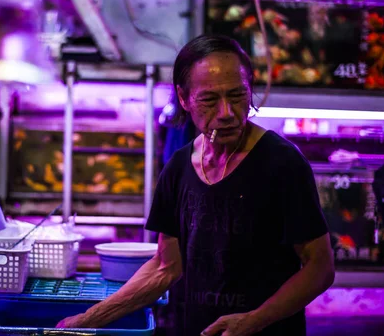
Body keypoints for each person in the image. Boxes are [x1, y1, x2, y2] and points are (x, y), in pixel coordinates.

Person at [57, 35, 335, 335]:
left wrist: (254, 320)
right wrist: (88, 320)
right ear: (184, 97)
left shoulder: (282, 164)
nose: (227, 113)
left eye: (238, 95)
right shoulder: (179, 168)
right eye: (209, 99)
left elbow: (320, 268)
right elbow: (166, 267)